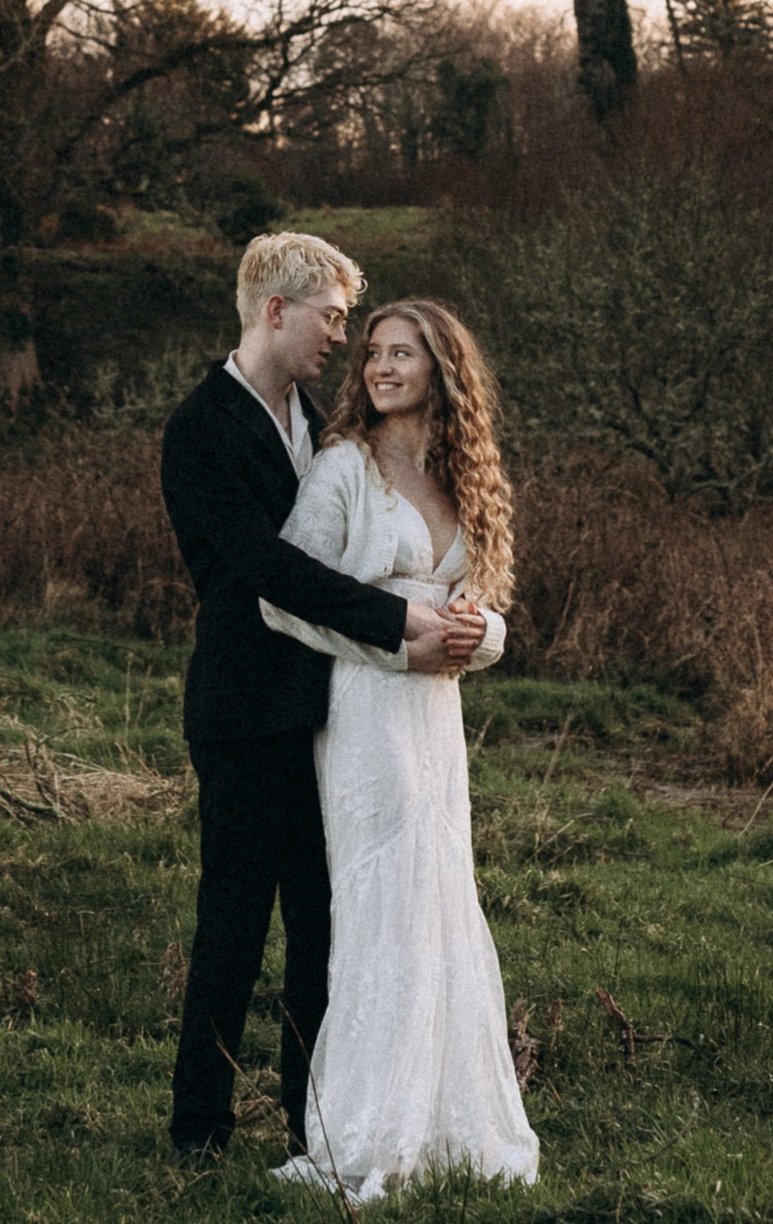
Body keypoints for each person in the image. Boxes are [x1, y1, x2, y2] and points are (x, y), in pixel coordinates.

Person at [159, 234, 485, 1162]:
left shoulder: (314, 421)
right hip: (244, 710)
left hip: (334, 713)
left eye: (350, 320)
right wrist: (397, 626)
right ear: (276, 310)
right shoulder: (202, 428)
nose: (343, 339)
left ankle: (318, 1124)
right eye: (333, 318)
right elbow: (267, 568)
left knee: (322, 927)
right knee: (231, 923)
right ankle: (201, 1132)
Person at [259, 298, 542, 1201]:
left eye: (402, 354)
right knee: (382, 897)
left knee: (440, 897)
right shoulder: (344, 466)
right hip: (369, 712)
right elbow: (285, 597)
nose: (381, 367)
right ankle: (368, 1123)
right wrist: (398, 642)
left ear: (442, 372)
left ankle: (448, 1116)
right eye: (372, 353)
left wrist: (477, 637)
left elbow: (488, 610)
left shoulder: (465, 475)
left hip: (436, 719)